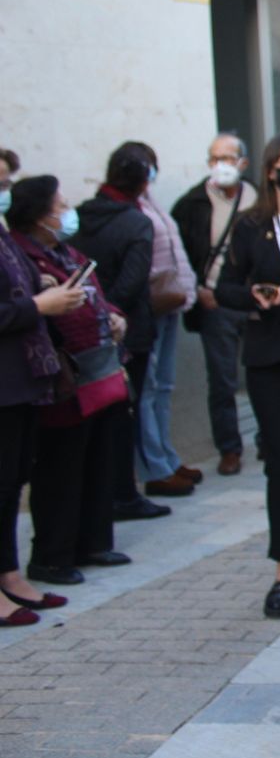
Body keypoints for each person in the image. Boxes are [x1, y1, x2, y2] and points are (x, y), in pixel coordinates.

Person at [10, 178, 131, 586]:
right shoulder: (23, 252)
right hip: (62, 374)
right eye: (60, 205)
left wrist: (113, 315)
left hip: (96, 367)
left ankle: (92, 541)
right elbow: (30, 304)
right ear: (40, 215)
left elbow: (93, 290)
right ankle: (52, 555)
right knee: (61, 466)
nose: (67, 211)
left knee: (97, 458)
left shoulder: (65, 251)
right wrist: (46, 301)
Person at [216, 133, 280, 619]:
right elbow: (224, 289)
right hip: (272, 354)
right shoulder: (251, 226)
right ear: (270, 170)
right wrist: (257, 295)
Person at [0, 202, 87, 627]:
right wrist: (38, 305)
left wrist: (44, 286)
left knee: (12, 482)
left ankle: (9, 575)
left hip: (21, 379)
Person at [72, 144, 167, 522]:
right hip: (124, 328)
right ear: (144, 182)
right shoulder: (135, 223)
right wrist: (109, 313)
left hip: (87, 326)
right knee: (123, 413)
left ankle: (107, 494)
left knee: (102, 417)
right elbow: (132, 281)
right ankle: (123, 494)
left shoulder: (83, 215)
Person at [172, 134, 257, 475]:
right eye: (214, 158)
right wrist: (198, 290)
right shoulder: (192, 204)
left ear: (243, 163)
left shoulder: (259, 198)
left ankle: (269, 441)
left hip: (256, 300)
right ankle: (229, 448)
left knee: (263, 373)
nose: (220, 165)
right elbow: (180, 256)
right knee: (222, 379)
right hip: (215, 301)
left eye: (228, 157)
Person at [128, 143, 201, 498]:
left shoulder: (151, 202)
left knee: (165, 385)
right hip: (151, 307)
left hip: (172, 303)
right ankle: (154, 465)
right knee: (149, 387)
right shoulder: (127, 208)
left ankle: (167, 457)